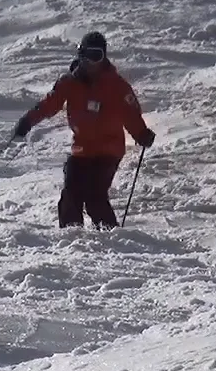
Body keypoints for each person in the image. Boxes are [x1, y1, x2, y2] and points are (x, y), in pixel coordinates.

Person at [13, 31, 156, 229]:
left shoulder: (117, 86)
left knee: (94, 195)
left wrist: (141, 134)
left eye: (97, 56)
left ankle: (111, 236)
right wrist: (28, 121)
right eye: (87, 55)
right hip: (82, 149)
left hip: (109, 149)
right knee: (71, 193)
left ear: (104, 58)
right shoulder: (70, 83)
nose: (91, 62)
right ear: (80, 55)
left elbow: (130, 114)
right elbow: (49, 104)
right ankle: (72, 237)